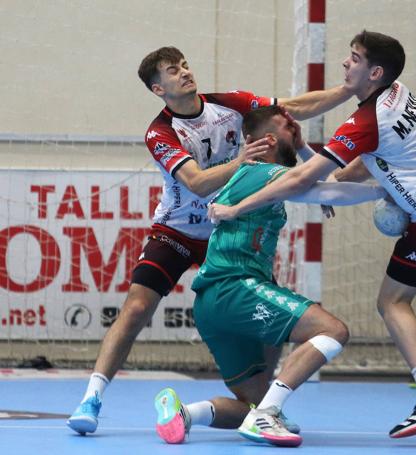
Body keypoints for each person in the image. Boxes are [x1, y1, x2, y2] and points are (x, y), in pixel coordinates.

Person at [207, 30, 416, 449]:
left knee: (392, 301)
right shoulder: (397, 95)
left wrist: (235, 209)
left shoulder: (366, 120)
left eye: (354, 58)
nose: (346, 64)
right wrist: (323, 173)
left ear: (375, 72)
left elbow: (301, 180)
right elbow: (353, 173)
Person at [67, 46, 353, 435]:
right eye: (173, 70)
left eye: (185, 65)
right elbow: (197, 182)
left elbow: (293, 109)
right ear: (158, 88)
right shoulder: (161, 132)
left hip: (229, 229)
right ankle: (91, 398)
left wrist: (353, 90)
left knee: (265, 312)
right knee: (136, 308)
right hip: (180, 229)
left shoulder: (228, 104)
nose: (184, 72)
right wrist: (242, 161)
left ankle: (260, 404)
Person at [154, 105, 387, 447]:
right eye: (286, 123)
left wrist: (308, 153)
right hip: (235, 287)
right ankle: (269, 414)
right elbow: (326, 189)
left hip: (212, 305)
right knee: (332, 331)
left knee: (251, 404)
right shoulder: (260, 170)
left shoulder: (258, 178)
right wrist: (385, 193)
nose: (295, 125)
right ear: (266, 139)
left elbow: (317, 180)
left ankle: (185, 414)